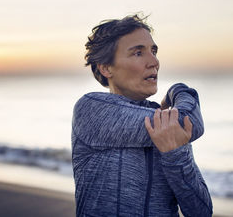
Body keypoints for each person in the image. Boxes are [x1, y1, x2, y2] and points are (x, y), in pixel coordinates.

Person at [72, 14, 213, 217]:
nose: (154, 61)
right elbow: (191, 122)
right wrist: (179, 90)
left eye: (153, 51)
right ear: (106, 67)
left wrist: (176, 155)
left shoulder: (165, 119)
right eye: (138, 53)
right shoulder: (91, 109)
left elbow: (201, 212)